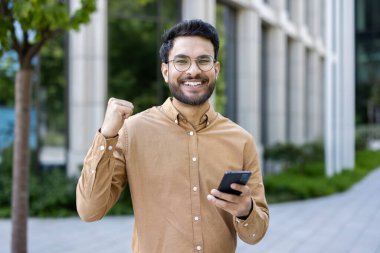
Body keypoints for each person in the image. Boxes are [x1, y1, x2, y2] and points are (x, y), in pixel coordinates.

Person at [76, 19, 269, 253]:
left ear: (215, 70)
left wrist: (245, 209)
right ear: (166, 72)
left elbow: (255, 234)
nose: (193, 70)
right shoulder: (131, 131)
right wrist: (106, 135)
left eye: (203, 60)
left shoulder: (241, 140)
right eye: (182, 61)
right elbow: (89, 211)